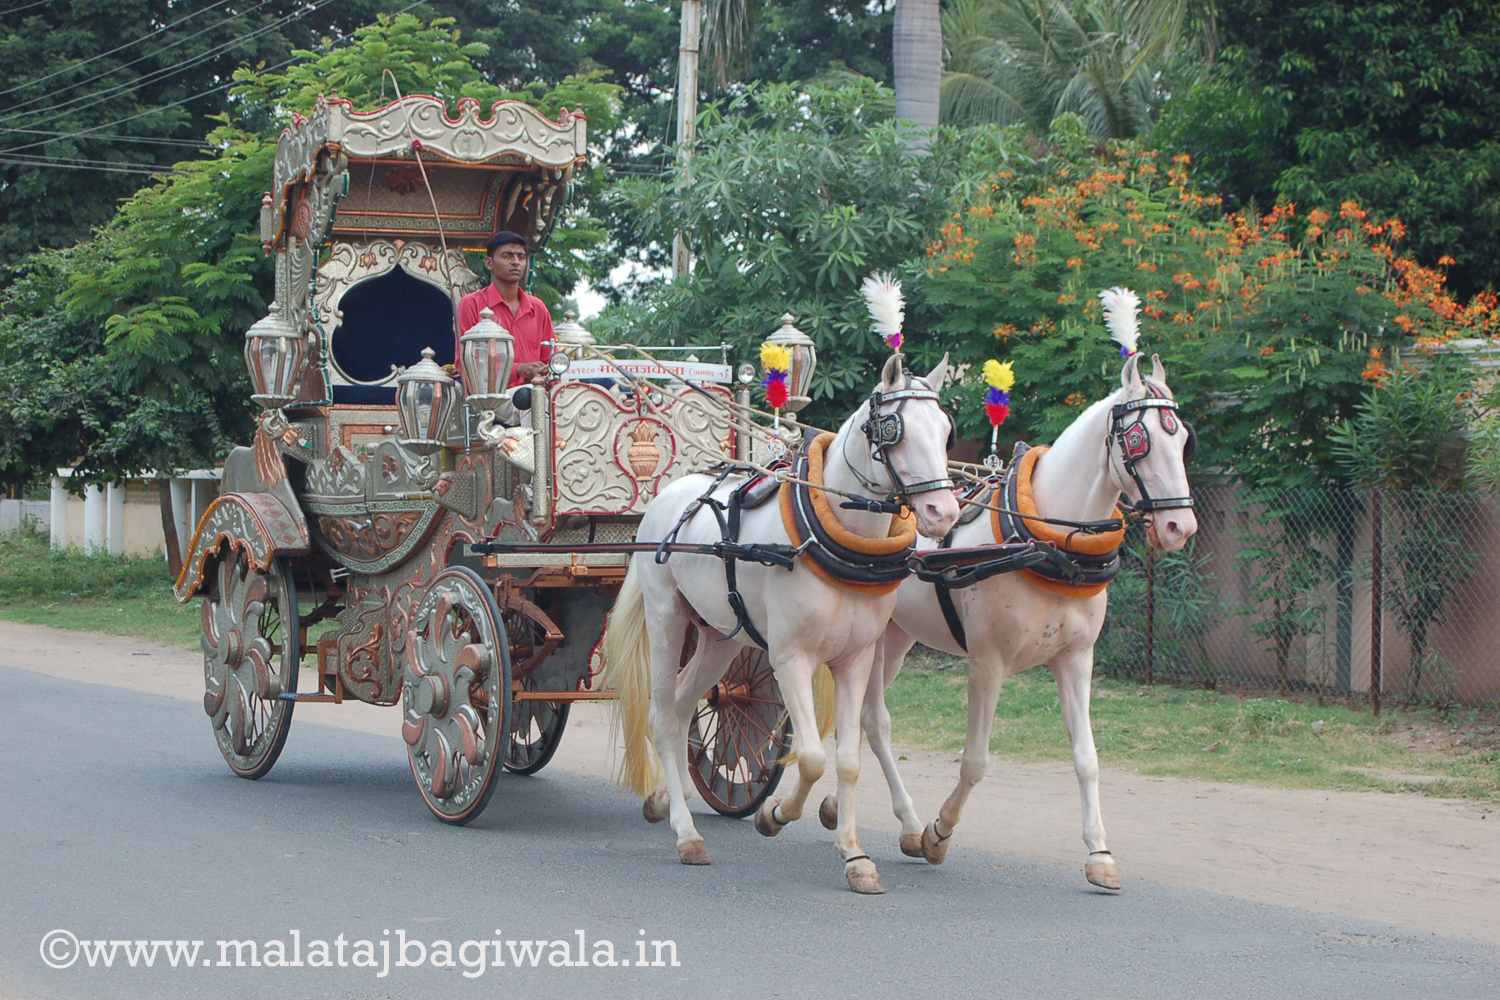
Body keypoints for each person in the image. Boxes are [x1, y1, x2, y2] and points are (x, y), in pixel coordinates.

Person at [457, 230, 554, 389]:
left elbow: (550, 359)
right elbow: (466, 364)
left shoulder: (538, 308)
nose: (515, 262)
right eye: (507, 256)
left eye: (521, 257)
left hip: (536, 393)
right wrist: (518, 369)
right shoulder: (471, 304)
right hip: (490, 396)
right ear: (489, 263)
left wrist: (548, 379)